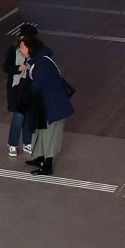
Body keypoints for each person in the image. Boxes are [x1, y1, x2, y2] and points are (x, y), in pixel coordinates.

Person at [21, 32, 74, 176]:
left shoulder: (42, 64)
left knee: (50, 135)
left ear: (31, 49)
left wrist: (25, 86)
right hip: (45, 105)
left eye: (23, 48)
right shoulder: (38, 60)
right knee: (41, 131)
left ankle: (47, 165)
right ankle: (40, 158)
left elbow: (36, 86)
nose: (21, 51)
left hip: (53, 107)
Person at [4, 23, 37, 158]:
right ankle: (13, 143)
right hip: (16, 86)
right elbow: (6, 67)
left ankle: (27, 142)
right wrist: (20, 68)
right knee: (19, 115)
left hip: (30, 85)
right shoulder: (13, 50)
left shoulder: (37, 51)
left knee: (29, 114)